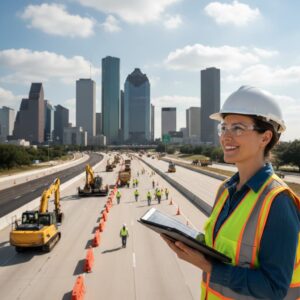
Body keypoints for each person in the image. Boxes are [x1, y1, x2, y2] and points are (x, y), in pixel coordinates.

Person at [161, 86, 300, 299]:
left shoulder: (278, 202)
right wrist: (187, 241)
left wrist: (209, 267)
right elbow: (223, 247)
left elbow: (274, 288)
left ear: (265, 138)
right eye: (223, 127)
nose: (226, 136)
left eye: (238, 128)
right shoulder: (225, 190)